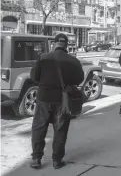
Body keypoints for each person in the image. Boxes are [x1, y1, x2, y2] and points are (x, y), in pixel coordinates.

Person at [30, 34, 84, 169]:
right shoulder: (73, 61)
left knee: (39, 128)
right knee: (60, 130)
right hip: (63, 100)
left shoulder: (43, 57)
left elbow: (35, 77)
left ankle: (36, 159)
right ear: (66, 45)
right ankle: (57, 160)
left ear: (54, 44)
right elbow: (79, 79)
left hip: (44, 98)